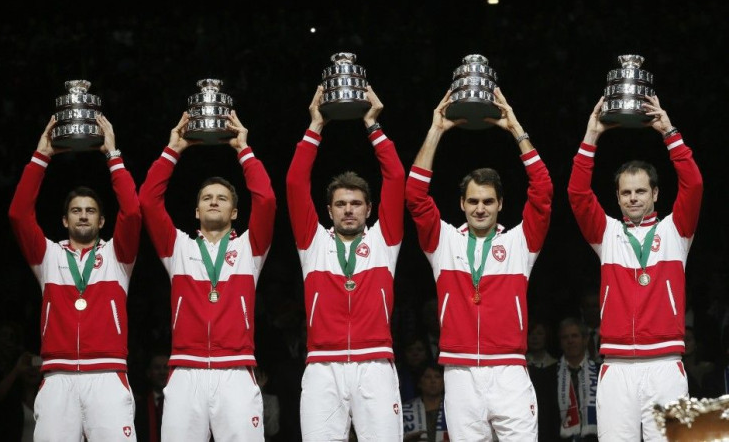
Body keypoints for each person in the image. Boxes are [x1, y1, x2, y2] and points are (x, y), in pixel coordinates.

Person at [405, 88, 553, 440]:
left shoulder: (519, 243)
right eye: (473, 201)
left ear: (501, 203)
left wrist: (516, 130)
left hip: (509, 371)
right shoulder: (444, 242)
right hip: (459, 374)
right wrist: (436, 130)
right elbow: (414, 196)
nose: (480, 208)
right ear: (461, 203)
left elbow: (543, 192)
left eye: (488, 201)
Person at [567, 95, 703, 441]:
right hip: (616, 367)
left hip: (665, 365)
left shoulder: (676, 231)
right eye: (626, 193)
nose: (633, 198)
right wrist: (591, 136)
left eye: (641, 191)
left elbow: (695, 185)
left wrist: (669, 132)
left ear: (656, 194)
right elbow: (577, 193)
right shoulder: (607, 233)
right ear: (617, 197)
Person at [138, 110, 277, 441]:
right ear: (196, 211)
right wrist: (173, 150)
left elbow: (267, 200)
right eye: (207, 198)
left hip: (237, 369)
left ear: (234, 212)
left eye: (222, 198)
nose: (214, 202)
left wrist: (243, 150)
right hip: (186, 371)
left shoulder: (250, 249)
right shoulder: (178, 249)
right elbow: (148, 200)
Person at [8, 114, 141, 440]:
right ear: (65, 221)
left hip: (107, 376)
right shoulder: (49, 257)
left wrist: (112, 155)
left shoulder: (117, 257)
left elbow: (134, 212)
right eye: (76, 210)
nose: (83, 215)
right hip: (57, 379)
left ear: (102, 220)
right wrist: (42, 156)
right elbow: (18, 214)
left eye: (91, 210)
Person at [286, 85, 405, 441]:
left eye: (356, 203)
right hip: (323, 365)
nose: (349, 209)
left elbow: (396, 178)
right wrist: (315, 126)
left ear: (369, 209)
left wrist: (373, 125)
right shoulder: (313, 242)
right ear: (329, 210)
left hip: (375, 363)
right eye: (341, 204)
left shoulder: (385, 241)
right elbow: (294, 183)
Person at [402, 364, 448, 442]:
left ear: (443, 382)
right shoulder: (406, 409)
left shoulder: (453, 409)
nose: (433, 381)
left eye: (437, 377)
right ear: (419, 382)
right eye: (427, 377)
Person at [134, 349, 170, 442]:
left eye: (166, 367)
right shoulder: (138, 407)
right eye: (157, 368)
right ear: (149, 373)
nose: (162, 372)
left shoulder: (182, 405)